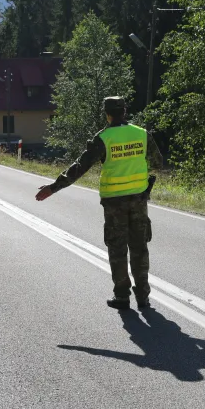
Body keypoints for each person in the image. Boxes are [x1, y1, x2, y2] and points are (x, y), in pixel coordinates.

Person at [35, 96, 163, 311]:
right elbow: (158, 163)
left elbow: (80, 167)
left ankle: (122, 297)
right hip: (139, 200)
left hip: (114, 203)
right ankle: (143, 297)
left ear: (107, 114)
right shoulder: (142, 134)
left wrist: (53, 187)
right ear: (125, 111)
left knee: (117, 249)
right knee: (140, 248)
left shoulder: (103, 138)